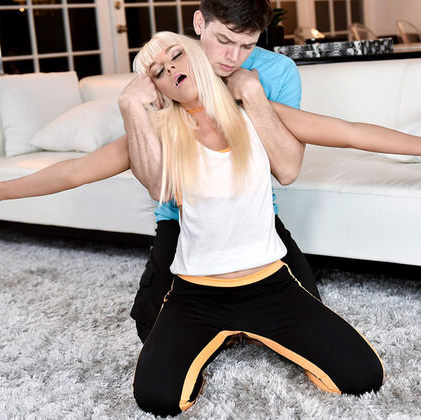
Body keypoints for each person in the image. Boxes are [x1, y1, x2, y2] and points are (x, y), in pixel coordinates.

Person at [0, 1, 421, 345]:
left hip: (255, 225)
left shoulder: (260, 89)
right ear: (196, 30)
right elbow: (77, 170)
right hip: (185, 230)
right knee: (152, 330)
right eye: (222, 42)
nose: (233, 58)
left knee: (304, 317)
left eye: (246, 46)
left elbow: (345, 132)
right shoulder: (162, 112)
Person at [130, 31, 384, 416]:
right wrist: (130, 107)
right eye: (158, 71)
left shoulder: (252, 110)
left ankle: (248, 332)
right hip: (196, 295)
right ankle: (214, 338)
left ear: (196, 55)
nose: (171, 69)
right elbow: (120, 179)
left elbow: (349, 134)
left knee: (364, 376)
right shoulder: (162, 134)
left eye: (176, 55)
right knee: (157, 399)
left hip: (269, 285)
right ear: (157, 89)